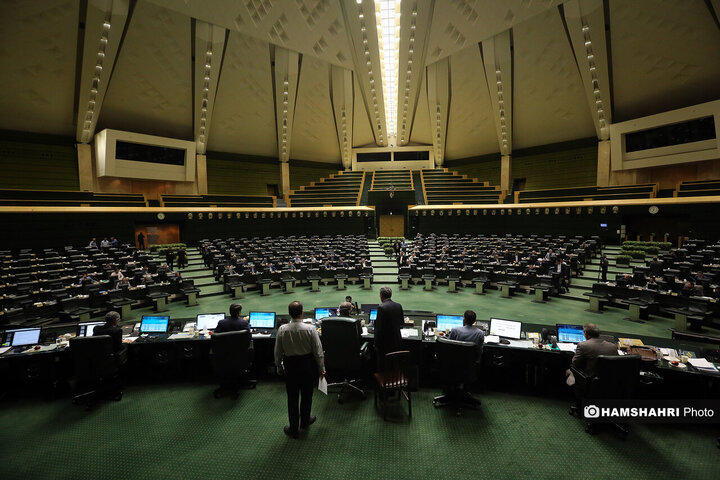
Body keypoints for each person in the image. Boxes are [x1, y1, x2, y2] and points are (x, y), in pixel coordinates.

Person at [274, 301, 325, 438]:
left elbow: (278, 351)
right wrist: (321, 368)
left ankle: (294, 428)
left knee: (292, 397)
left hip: (290, 365)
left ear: (289, 313)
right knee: (307, 395)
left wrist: (279, 366)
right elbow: (318, 351)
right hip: (307, 365)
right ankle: (305, 421)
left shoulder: (282, 329)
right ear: (301, 312)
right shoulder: (310, 329)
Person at [374, 286, 404, 371]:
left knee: (383, 366)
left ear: (381, 296)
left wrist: (375, 344)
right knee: (394, 364)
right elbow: (401, 323)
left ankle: (383, 381)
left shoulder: (381, 307)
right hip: (397, 341)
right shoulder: (399, 305)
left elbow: (379, 328)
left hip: (385, 344)